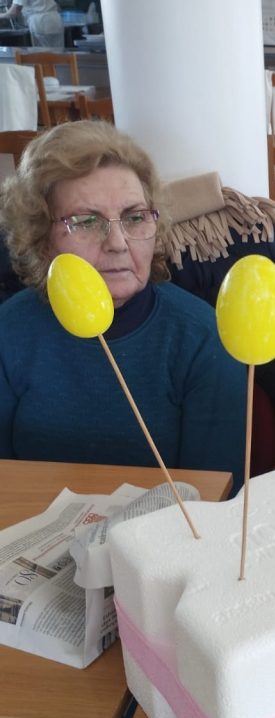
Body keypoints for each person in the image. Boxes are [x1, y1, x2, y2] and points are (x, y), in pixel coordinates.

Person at [0, 121, 247, 491]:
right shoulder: (9, 331)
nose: (117, 242)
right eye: (86, 221)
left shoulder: (203, 339)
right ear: (41, 238)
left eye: (135, 218)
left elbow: (215, 497)